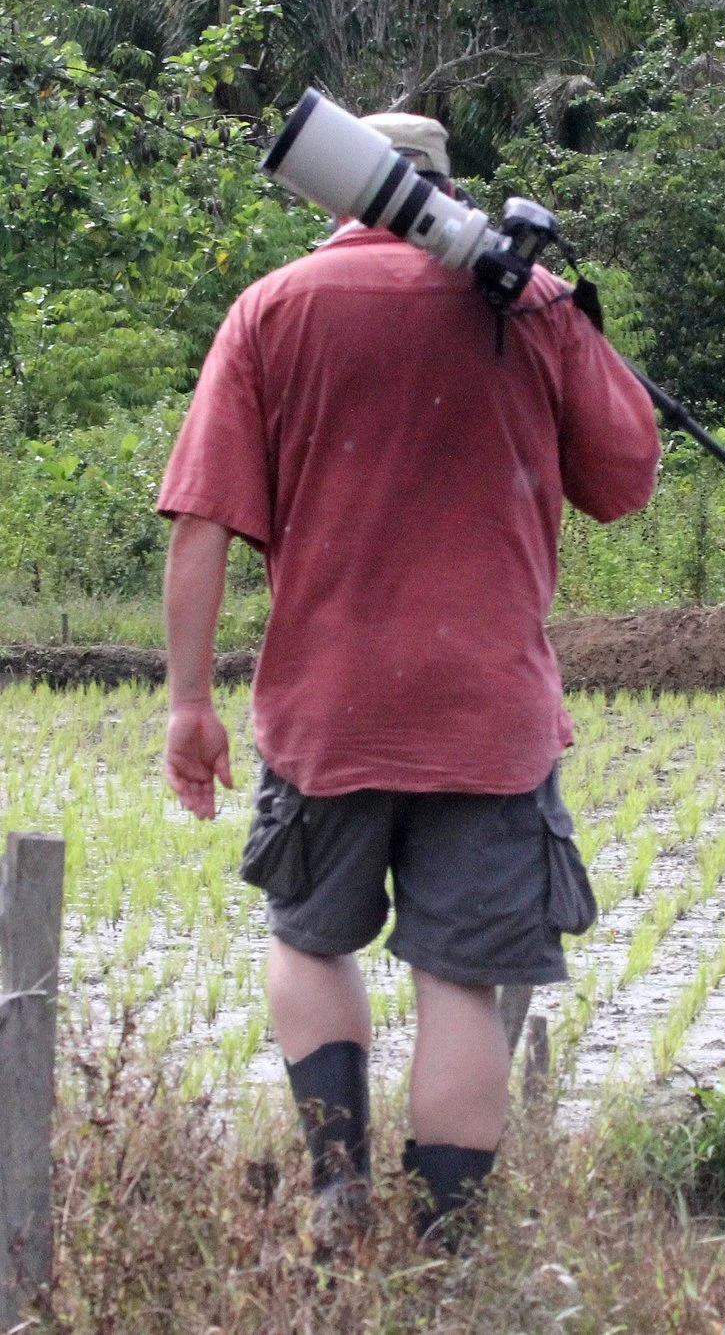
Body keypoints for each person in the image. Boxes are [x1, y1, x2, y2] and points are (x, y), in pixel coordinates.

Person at [157, 111, 660, 1249]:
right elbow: (625, 480)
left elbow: (201, 525)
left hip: (327, 712)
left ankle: (339, 1190)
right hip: (490, 718)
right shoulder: (528, 302)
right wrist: (569, 321)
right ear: (450, 189)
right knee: (460, 983)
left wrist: (189, 704)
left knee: (309, 939)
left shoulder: (272, 308)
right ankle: (446, 1248)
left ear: (336, 189)